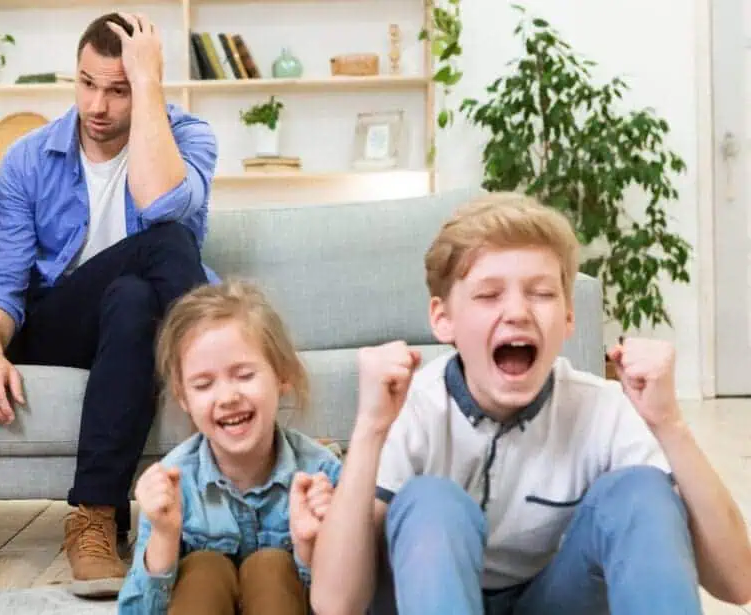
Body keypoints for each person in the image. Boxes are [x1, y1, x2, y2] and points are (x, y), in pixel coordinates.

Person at [310, 193, 751, 615]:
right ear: (443, 319)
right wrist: (369, 429)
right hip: (430, 595)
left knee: (640, 491)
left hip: (554, 599)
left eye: (541, 293)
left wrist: (669, 422)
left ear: (569, 317)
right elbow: (335, 605)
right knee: (429, 501)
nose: (518, 311)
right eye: (488, 295)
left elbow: (737, 583)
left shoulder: (604, 408)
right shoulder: (411, 408)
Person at [0, 12, 218, 597]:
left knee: (134, 291)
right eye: (86, 84)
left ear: (148, 85)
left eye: (119, 89)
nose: (98, 105)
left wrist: (149, 87)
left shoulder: (191, 137)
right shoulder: (29, 158)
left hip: (143, 326)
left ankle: (94, 518)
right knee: (164, 246)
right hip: (61, 323)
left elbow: (164, 203)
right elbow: (1, 279)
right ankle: (212, 371)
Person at [117, 280, 341, 614]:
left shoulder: (321, 475)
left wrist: (309, 549)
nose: (228, 397)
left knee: (272, 568)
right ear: (184, 398)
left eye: (244, 375)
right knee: (204, 569)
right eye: (204, 384)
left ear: (281, 376)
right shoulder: (174, 482)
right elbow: (135, 611)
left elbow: (350, 603)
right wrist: (164, 536)